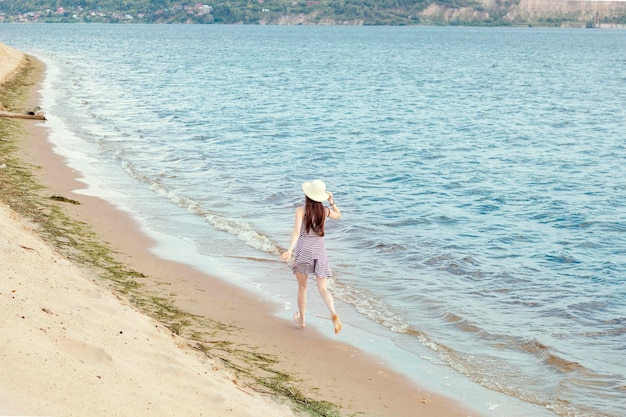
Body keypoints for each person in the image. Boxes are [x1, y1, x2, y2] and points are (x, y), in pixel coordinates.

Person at [280, 179, 342, 334]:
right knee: (323, 288)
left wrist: (289, 250)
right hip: (319, 250)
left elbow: (296, 232)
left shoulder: (301, 210)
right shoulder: (325, 211)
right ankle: (333, 312)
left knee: (302, 287)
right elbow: (339, 216)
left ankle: (302, 320)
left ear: (307, 195)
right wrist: (331, 201)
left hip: (304, 250)